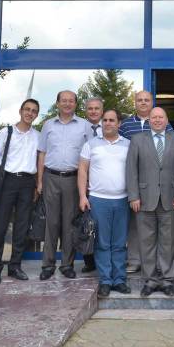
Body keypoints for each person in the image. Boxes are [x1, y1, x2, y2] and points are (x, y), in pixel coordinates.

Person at [0, 98, 40, 284]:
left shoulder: (38, 136)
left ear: (37, 115)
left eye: (34, 111)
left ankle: (15, 266)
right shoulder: (6, 132)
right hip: (6, 181)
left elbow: (40, 161)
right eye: (27, 109)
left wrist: (38, 184)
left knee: (22, 227)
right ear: (20, 111)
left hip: (28, 183)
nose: (30, 113)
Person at [126, 107, 174, 297]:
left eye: (161, 117)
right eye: (154, 117)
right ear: (149, 120)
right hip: (143, 199)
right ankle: (150, 280)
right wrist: (133, 196)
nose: (157, 120)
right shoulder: (137, 140)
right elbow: (131, 170)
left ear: (167, 120)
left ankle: (167, 280)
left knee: (168, 241)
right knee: (146, 241)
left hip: (170, 199)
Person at [37, 90, 92, 280]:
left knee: (70, 223)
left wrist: (87, 184)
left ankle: (67, 265)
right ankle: (47, 265)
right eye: (64, 101)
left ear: (76, 104)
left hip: (73, 179)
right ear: (57, 103)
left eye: (71, 101)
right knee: (51, 223)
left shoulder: (85, 126)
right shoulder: (48, 125)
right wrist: (39, 181)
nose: (67, 104)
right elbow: (42, 153)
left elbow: (90, 156)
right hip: (51, 177)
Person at [78, 109, 131, 297]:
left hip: (122, 200)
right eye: (105, 120)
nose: (108, 123)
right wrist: (83, 196)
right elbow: (82, 170)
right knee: (102, 243)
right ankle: (106, 280)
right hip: (98, 200)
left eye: (112, 120)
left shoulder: (128, 145)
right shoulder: (90, 144)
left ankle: (119, 279)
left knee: (119, 243)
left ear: (119, 123)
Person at [119, 90, 172, 274]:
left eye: (146, 100)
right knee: (135, 227)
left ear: (152, 102)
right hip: (136, 183)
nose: (143, 103)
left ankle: (157, 263)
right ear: (135, 103)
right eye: (139, 100)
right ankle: (134, 260)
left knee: (159, 230)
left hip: (159, 187)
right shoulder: (125, 125)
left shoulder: (164, 124)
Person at [81, 96, 104, 273]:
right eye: (90, 108)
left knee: (102, 224)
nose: (93, 111)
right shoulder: (78, 128)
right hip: (82, 181)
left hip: (102, 184)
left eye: (97, 108)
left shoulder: (111, 126)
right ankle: (89, 260)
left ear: (102, 111)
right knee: (85, 222)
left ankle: (102, 259)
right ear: (85, 111)